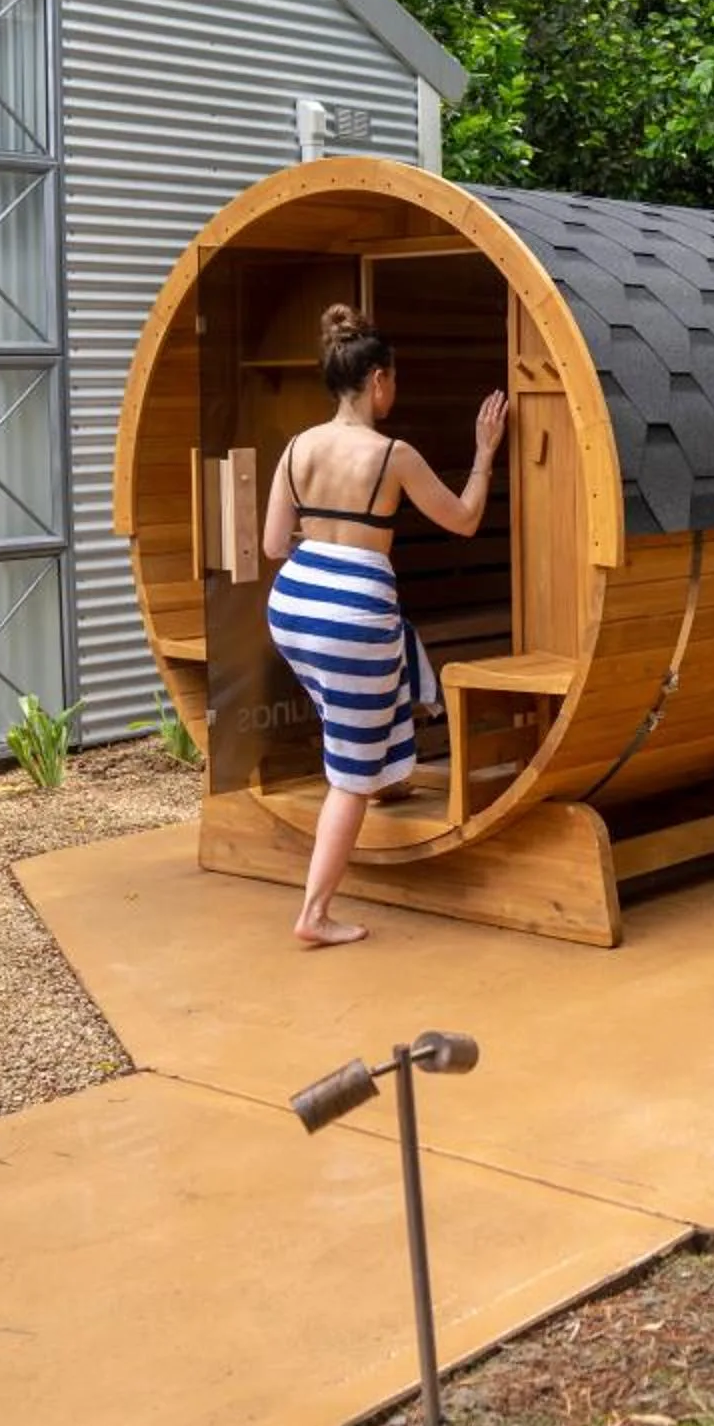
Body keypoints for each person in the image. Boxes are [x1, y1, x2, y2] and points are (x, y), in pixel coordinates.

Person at [260, 304, 507, 947]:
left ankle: (385, 776)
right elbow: (463, 519)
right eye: (394, 379)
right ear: (377, 381)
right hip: (353, 613)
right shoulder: (393, 455)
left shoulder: (297, 447)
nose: (395, 389)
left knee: (389, 665)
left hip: (293, 604)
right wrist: (484, 453)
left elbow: (271, 545)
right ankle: (315, 913)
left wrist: (325, 544)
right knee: (348, 775)